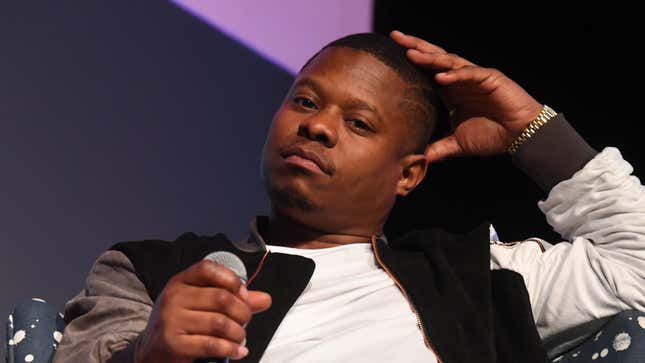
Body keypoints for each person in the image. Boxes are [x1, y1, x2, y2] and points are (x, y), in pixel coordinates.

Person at [52, 31, 645, 363]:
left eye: (359, 123)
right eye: (306, 102)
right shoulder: (155, 271)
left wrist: (534, 130)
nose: (317, 126)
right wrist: (146, 357)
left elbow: (635, 267)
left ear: (408, 174)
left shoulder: (476, 279)